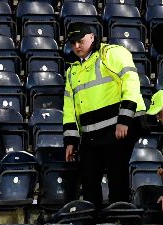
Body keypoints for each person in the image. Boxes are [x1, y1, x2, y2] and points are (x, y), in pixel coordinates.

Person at [61, 22, 145, 208]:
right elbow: (70, 109)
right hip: (92, 135)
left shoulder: (112, 54)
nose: (76, 46)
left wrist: (124, 120)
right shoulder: (72, 70)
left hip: (118, 128)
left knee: (117, 179)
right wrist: (71, 141)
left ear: (92, 37)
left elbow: (131, 82)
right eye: (73, 42)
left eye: (80, 41)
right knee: (90, 181)